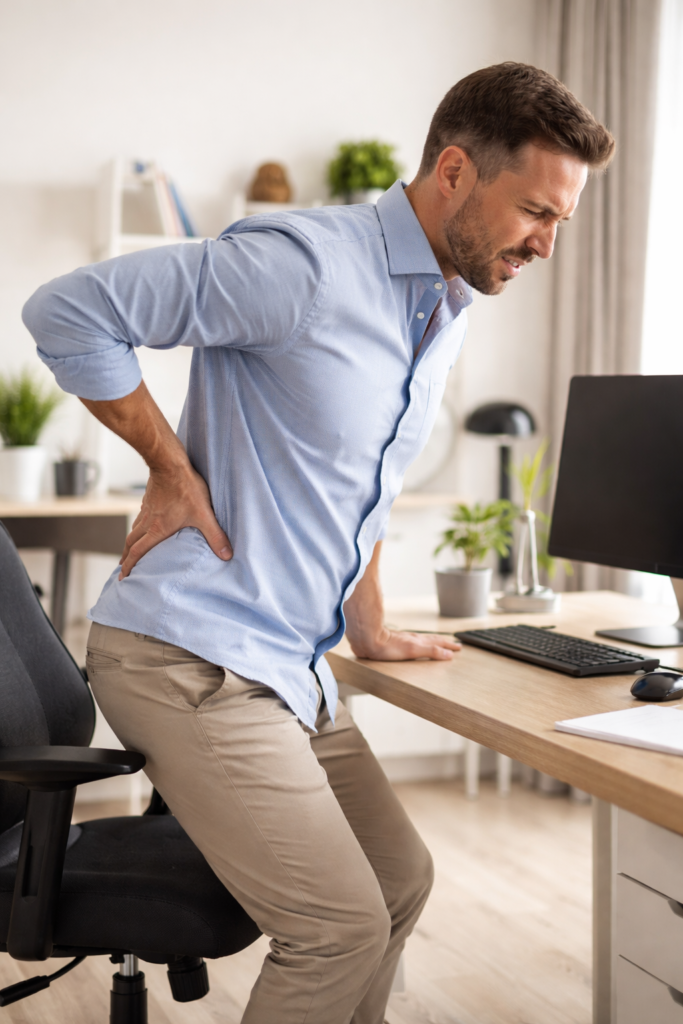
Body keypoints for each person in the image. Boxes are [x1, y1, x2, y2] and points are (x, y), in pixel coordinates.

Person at [23, 62, 613, 1024]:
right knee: (336, 928)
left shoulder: (443, 302)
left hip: (286, 669)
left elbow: (361, 483)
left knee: (399, 884)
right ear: (456, 172)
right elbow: (67, 310)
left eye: (561, 222)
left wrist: (367, 627)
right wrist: (170, 469)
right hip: (190, 659)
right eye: (535, 214)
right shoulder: (303, 264)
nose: (546, 243)